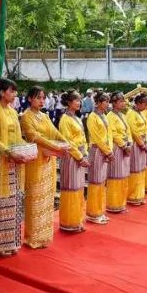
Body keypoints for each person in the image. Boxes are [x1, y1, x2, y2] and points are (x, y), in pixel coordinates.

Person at [19, 87, 68, 249]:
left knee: (47, 198)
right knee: (34, 197)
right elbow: (34, 137)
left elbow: (55, 132)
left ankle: (44, 236)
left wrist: (67, 144)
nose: (42, 101)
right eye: (38, 98)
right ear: (29, 99)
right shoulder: (26, 117)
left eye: (43, 98)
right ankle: (32, 237)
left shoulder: (45, 116)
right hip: (35, 160)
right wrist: (55, 145)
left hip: (48, 160)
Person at [0, 79, 28, 256]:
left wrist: (26, 149)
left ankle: (12, 242)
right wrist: (10, 153)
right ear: (2, 92)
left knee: (14, 201)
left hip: (14, 160)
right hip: (1, 159)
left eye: (15, 91)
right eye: (12, 91)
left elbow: (18, 136)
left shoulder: (12, 111)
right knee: (1, 203)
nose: (15, 94)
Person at [57, 91, 89, 232]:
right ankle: (68, 222)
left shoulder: (76, 118)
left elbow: (82, 137)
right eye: (76, 100)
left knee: (79, 188)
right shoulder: (65, 119)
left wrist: (85, 153)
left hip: (79, 156)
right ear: (69, 102)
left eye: (80, 100)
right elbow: (67, 142)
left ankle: (77, 220)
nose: (79, 102)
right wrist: (80, 157)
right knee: (71, 188)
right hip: (71, 157)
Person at [86, 92, 113, 224]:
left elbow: (109, 134)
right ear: (98, 102)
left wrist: (109, 150)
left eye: (108, 101)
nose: (108, 104)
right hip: (97, 150)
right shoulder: (92, 117)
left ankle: (100, 210)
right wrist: (107, 151)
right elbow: (96, 137)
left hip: (104, 150)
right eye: (105, 101)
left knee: (102, 182)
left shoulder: (104, 116)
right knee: (95, 181)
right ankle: (93, 213)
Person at [105, 92, 131, 214]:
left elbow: (128, 130)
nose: (123, 103)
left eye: (124, 101)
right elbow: (113, 134)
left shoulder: (123, 115)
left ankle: (121, 203)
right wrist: (124, 145)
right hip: (117, 147)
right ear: (114, 103)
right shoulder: (110, 116)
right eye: (121, 101)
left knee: (124, 175)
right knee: (115, 175)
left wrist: (129, 143)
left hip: (125, 147)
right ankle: (113, 204)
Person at [126, 94, 147, 205]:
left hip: (143, 143)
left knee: (141, 169)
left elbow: (146, 128)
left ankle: (139, 195)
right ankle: (132, 195)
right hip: (136, 144)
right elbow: (133, 131)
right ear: (139, 103)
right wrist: (141, 143)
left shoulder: (141, 113)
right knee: (135, 169)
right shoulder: (131, 114)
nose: (146, 106)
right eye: (145, 104)